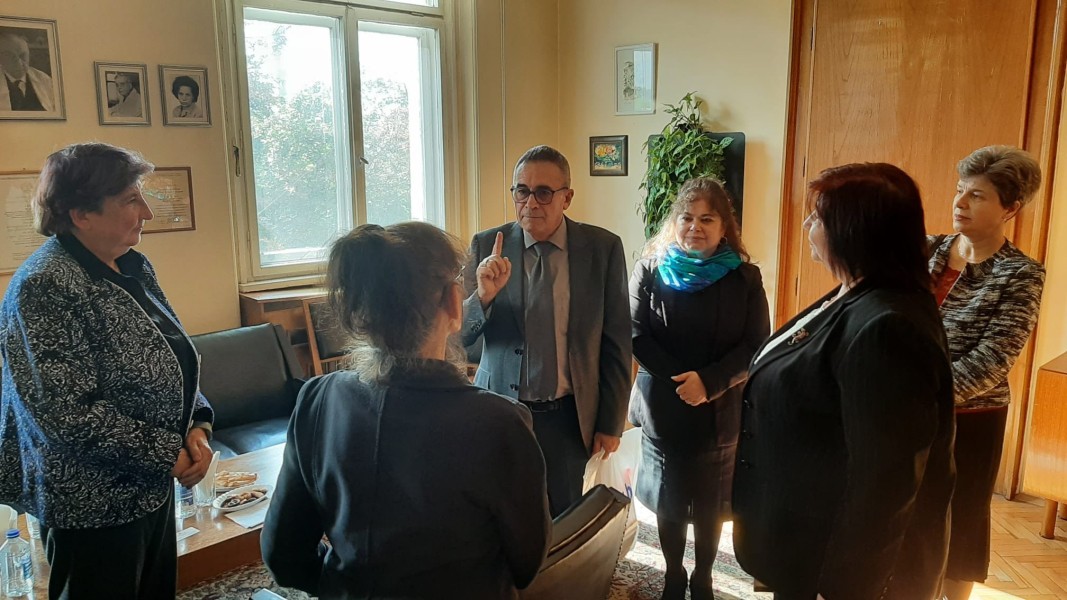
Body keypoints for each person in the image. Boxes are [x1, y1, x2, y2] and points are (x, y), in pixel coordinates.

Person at [262, 222, 550, 599]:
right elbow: (528, 564)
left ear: (361, 312)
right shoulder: (499, 422)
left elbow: (282, 556)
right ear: (453, 303)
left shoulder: (316, 400)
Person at [731, 163, 956, 600]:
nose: (807, 225)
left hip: (835, 566)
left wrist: (845, 587)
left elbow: (885, 485)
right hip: (803, 540)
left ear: (854, 231)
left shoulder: (888, 327)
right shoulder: (855, 293)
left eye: (818, 217)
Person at [0, 142, 214, 599]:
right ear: (81, 213)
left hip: (149, 486)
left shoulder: (131, 264)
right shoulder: (43, 286)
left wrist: (196, 425)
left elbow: (171, 354)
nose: (147, 213)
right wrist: (167, 453)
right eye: (131, 200)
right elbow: (64, 415)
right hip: (92, 502)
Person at [462, 145, 632, 517]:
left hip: (567, 417)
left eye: (543, 192)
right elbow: (457, 337)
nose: (531, 203)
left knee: (563, 514)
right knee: (501, 512)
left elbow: (617, 340)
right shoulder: (485, 247)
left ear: (567, 198)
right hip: (501, 411)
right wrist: (483, 298)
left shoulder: (601, 249)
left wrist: (611, 422)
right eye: (522, 191)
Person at [628, 177, 769, 600]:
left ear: (725, 227)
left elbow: (756, 343)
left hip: (720, 410)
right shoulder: (650, 269)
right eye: (686, 217)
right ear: (674, 222)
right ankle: (673, 575)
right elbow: (635, 333)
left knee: (711, 507)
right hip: (663, 409)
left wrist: (708, 383)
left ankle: (703, 577)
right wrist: (682, 384)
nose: (695, 226)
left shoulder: (745, 277)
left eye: (707, 218)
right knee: (669, 502)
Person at [929, 146, 1045, 600]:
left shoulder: (1021, 273)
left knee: (961, 523)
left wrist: (921, 397)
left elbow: (994, 358)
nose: (960, 203)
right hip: (907, 410)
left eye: (977, 196)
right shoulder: (927, 249)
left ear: (1010, 208)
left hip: (971, 418)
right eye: (960, 191)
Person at [0, 32, 54, 111]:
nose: (19, 63)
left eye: (23, 55)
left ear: (29, 55)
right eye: (10, 56)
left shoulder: (45, 80)